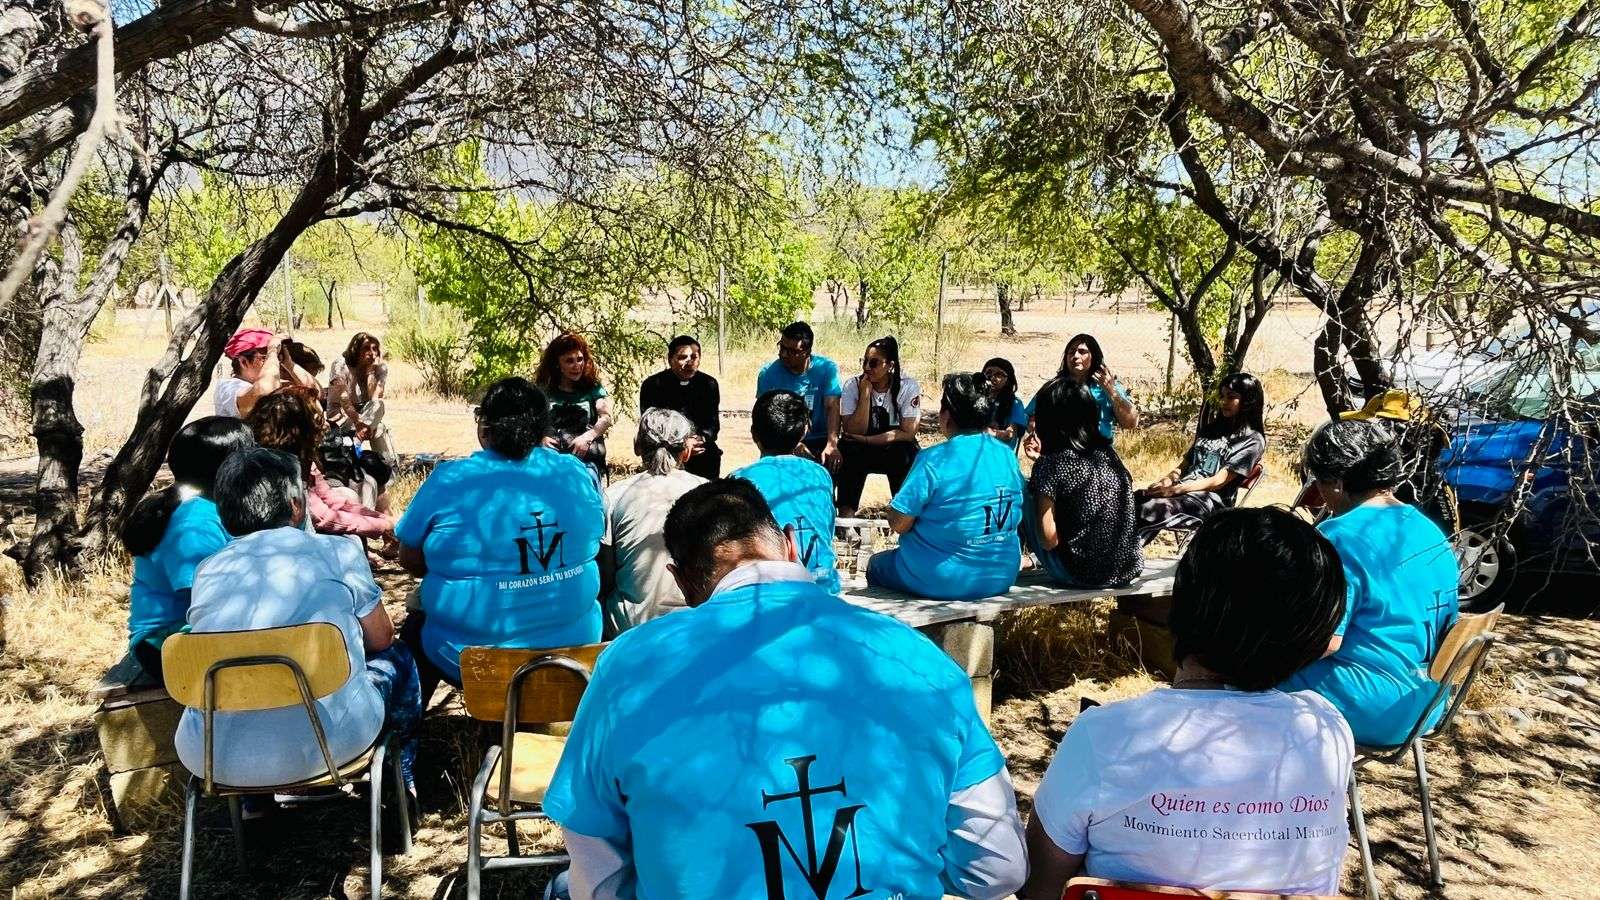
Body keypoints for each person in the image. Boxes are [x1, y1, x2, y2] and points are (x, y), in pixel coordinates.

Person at [543, 480, 1027, 900]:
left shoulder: (629, 668)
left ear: (682, 583)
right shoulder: (918, 659)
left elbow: (598, 870)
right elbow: (997, 866)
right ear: (793, 545)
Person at [1020, 507, 1353, 899]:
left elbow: (1039, 887)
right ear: (1310, 639)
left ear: (1181, 601)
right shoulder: (1327, 732)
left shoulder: (1105, 736)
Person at [174, 447, 421, 795]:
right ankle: (403, 781)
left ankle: (253, 805)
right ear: (294, 505)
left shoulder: (209, 571)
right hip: (332, 743)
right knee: (400, 659)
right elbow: (381, 639)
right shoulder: (338, 553)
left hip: (216, 755)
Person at [394, 377, 604, 698]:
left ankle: (402, 733)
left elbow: (409, 559)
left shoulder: (449, 480)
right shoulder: (575, 473)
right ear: (542, 428)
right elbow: (592, 541)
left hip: (472, 663)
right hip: (572, 655)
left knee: (415, 624)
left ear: (486, 427)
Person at [1281, 419, 1460, 747]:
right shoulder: (1430, 531)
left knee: (1240, 679)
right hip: (1427, 702)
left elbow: (1322, 641)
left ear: (1336, 481)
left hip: (1371, 705)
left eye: (1317, 482)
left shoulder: (1339, 538)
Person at [867, 373, 1025, 601]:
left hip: (942, 578)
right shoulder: (1006, 455)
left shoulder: (934, 459)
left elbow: (899, 523)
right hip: (1001, 575)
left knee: (876, 564)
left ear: (946, 416)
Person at [120, 417, 255, 680]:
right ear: (231, 468)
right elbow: (207, 596)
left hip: (186, 634)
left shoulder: (205, 506)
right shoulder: (196, 520)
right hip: (167, 646)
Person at [1024, 379, 1143, 588]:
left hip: (1080, 574)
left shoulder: (1051, 464)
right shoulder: (1109, 456)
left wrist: (1039, 475)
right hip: (1127, 569)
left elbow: (1048, 540)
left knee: (1022, 489)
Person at [599, 408, 707, 634]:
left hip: (630, 628)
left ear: (637, 446)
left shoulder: (614, 496)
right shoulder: (707, 492)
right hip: (696, 624)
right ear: (686, 451)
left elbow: (606, 577)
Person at [730, 390, 841, 594]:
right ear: (803, 432)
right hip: (824, 587)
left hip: (769, 591)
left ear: (754, 433)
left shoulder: (739, 480)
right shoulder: (820, 475)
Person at [248, 388, 395, 542]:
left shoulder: (303, 460)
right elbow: (323, 516)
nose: (324, 426)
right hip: (279, 543)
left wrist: (381, 518)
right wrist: (383, 524)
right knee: (351, 540)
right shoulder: (276, 468)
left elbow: (331, 500)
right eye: (317, 419)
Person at [1137, 371, 1267, 540]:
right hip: (1181, 493)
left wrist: (1173, 490)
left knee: (1146, 510)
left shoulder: (1252, 440)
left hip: (1209, 503)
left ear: (1249, 401)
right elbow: (1183, 466)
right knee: (1131, 501)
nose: (1224, 402)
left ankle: (1124, 561)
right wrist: (1165, 481)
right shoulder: (1212, 429)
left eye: (1231, 397)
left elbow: (1217, 482)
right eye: (1222, 396)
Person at [835, 335, 921, 517]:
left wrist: (867, 439)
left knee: (906, 453)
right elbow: (852, 431)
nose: (867, 367)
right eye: (864, 361)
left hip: (892, 447)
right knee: (848, 450)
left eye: (873, 363)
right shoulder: (853, 385)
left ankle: (903, 514)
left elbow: (908, 433)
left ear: (890, 365)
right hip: (861, 447)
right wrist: (865, 394)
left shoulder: (908, 386)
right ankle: (846, 516)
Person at [1022, 334, 1138, 451]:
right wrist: (1034, 427)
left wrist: (1111, 391)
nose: (1075, 356)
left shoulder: (1108, 387)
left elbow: (1130, 423)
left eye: (1082, 352)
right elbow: (1028, 416)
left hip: (1099, 454)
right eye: (1071, 352)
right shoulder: (1054, 387)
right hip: (1060, 454)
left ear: (1094, 357)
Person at [754, 321, 841, 466]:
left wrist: (832, 444)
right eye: (781, 347)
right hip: (783, 441)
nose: (783, 354)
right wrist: (793, 444)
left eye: (791, 351)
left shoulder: (826, 369)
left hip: (821, 438)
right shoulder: (768, 373)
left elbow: (832, 406)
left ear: (807, 352)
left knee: (833, 462)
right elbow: (764, 418)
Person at [638, 334, 722, 479]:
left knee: (712, 456)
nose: (689, 363)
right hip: (664, 448)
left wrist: (697, 440)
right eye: (683, 357)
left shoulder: (708, 384)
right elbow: (649, 425)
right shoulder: (653, 385)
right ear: (670, 360)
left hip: (699, 447)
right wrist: (681, 446)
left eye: (694, 357)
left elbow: (712, 425)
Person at [535, 332, 613, 473]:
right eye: (569, 361)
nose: (577, 365)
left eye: (580, 359)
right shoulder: (543, 391)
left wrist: (588, 437)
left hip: (586, 461)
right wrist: (540, 439)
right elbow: (529, 422)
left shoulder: (593, 387)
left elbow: (606, 418)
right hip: (550, 461)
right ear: (557, 364)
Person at [214, 328, 319, 419]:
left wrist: (289, 363)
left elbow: (315, 392)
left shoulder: (269, 384)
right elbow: (262, 393)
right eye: (265, 357)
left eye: (278, 356)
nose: (274, 362)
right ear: (244, 362)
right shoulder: (227, 387)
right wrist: (272, 351)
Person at [326, 332, 397, 467]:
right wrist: (358, 422)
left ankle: (386, 470)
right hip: (341, 416)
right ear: (356, 349)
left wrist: (370, 371)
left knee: (379, 420)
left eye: (375, 348)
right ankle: (387, 470)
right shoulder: (340, 365)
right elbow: (343, 398)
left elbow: (374, 399)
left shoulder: (380, 367)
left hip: (365, 416)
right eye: (366, 348)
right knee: (378, 429)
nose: (372, 353)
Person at [981, 357, 1028, 449]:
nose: (992, 377)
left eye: (999, 374)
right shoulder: (978, 399)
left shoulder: (1015, 404)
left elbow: (1009, 434)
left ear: (1008, 380)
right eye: (989, 372)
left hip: (1001, 453)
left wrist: (984, 430)